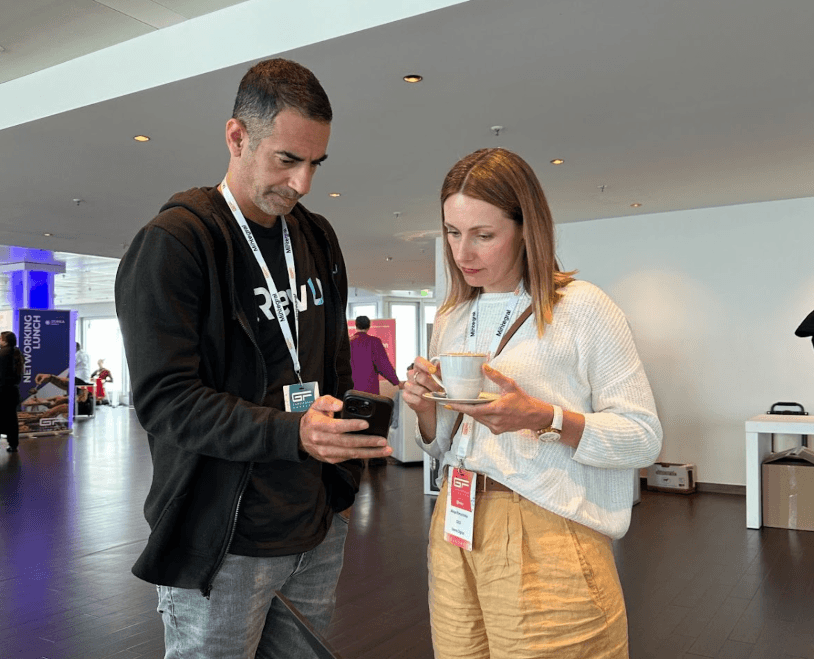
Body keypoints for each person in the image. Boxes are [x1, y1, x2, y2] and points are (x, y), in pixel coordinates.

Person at [115, 58, 392, 659]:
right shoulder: (176, 244)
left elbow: (334, 365)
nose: (302, 184)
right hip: (224, 540)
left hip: (316, 528)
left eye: (315, 163)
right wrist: (295, 433)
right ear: (237, 137)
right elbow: (166, 402)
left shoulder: (316, 237)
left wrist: (339, 478)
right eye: (286, 160)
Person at [403, 148, 663, 659]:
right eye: (453, 233)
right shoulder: (453, 317)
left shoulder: (581, 308)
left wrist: (544, 417)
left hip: (545, 530)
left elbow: (643, 437)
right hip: (455, 522)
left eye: (483, 234)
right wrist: (426, 413)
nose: (463, 252)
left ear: (526, 228)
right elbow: (447, 447)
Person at [349, 316, 403, 395]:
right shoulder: (374, 342)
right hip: (370, 390)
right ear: (369, 326)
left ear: (356, 326)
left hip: (351, 390)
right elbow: (383, 365)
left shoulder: (348, 342)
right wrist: (397, 382)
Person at [0, 331, 23, 453]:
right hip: (13, 392)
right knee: (12, 419)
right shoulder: (17, 353)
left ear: (5, 341)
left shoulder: (2, 354)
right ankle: (13, 444)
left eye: (0, 338)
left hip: (2, 391)